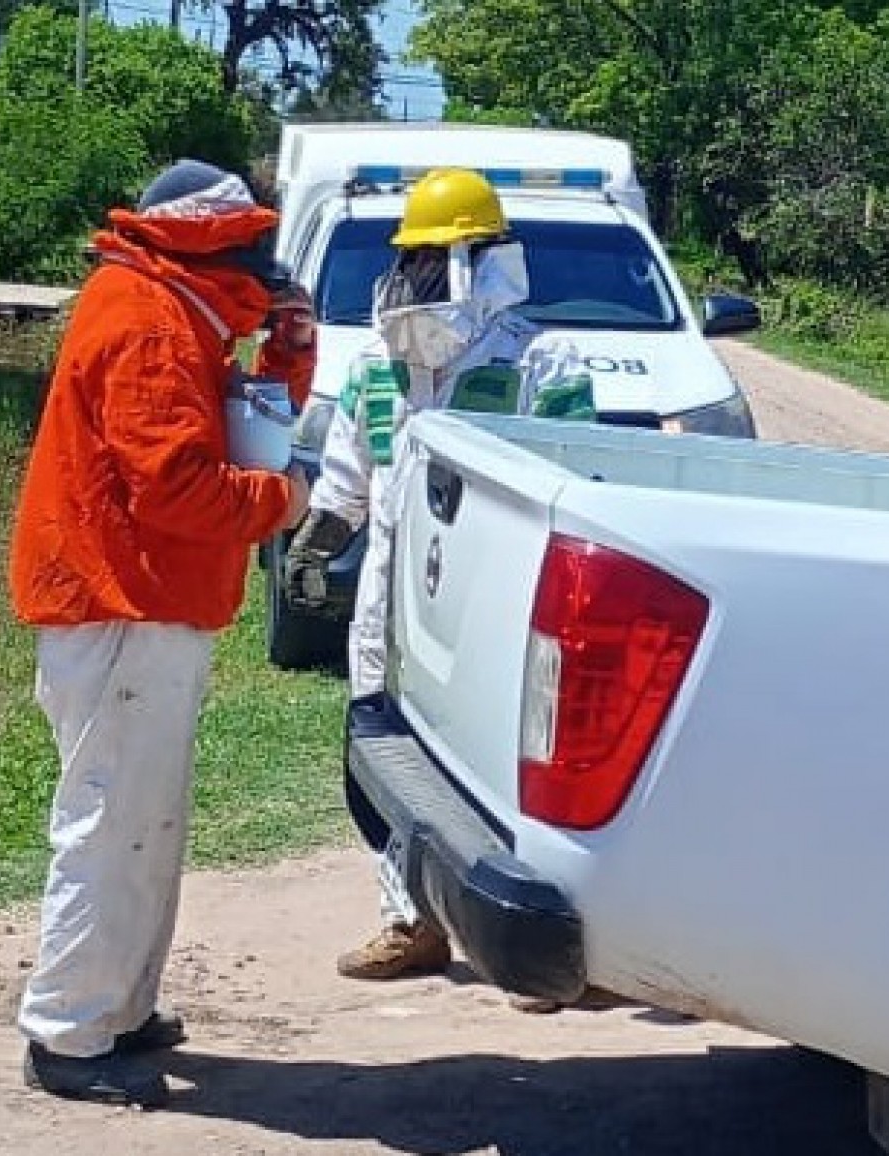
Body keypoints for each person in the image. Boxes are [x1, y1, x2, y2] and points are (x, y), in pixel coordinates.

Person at [7, 158, 317, 1108]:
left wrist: (286, 358)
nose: (262, 270)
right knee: (110, 826)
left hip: (143, 605)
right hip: (120, 608)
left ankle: (117, 1008)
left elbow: (233, 428)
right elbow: (179, 488)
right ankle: (68, 1033)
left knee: (144, 823)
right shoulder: (148, 322)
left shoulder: (173, 308)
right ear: (211, 243)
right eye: (251, 249)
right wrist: (284, 502)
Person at [282, 168, 584, 1003]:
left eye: (434, 260)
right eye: (410, 260)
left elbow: (575, 483)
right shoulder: (378, 366)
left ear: (487, 264)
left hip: (496, 597)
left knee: (503, 771)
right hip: (392, 594)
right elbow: (347, 475)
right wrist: (316, 544)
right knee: (383, 755)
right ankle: (409, 919)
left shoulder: (538, 360)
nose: (416, 279)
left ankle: (529, 951)